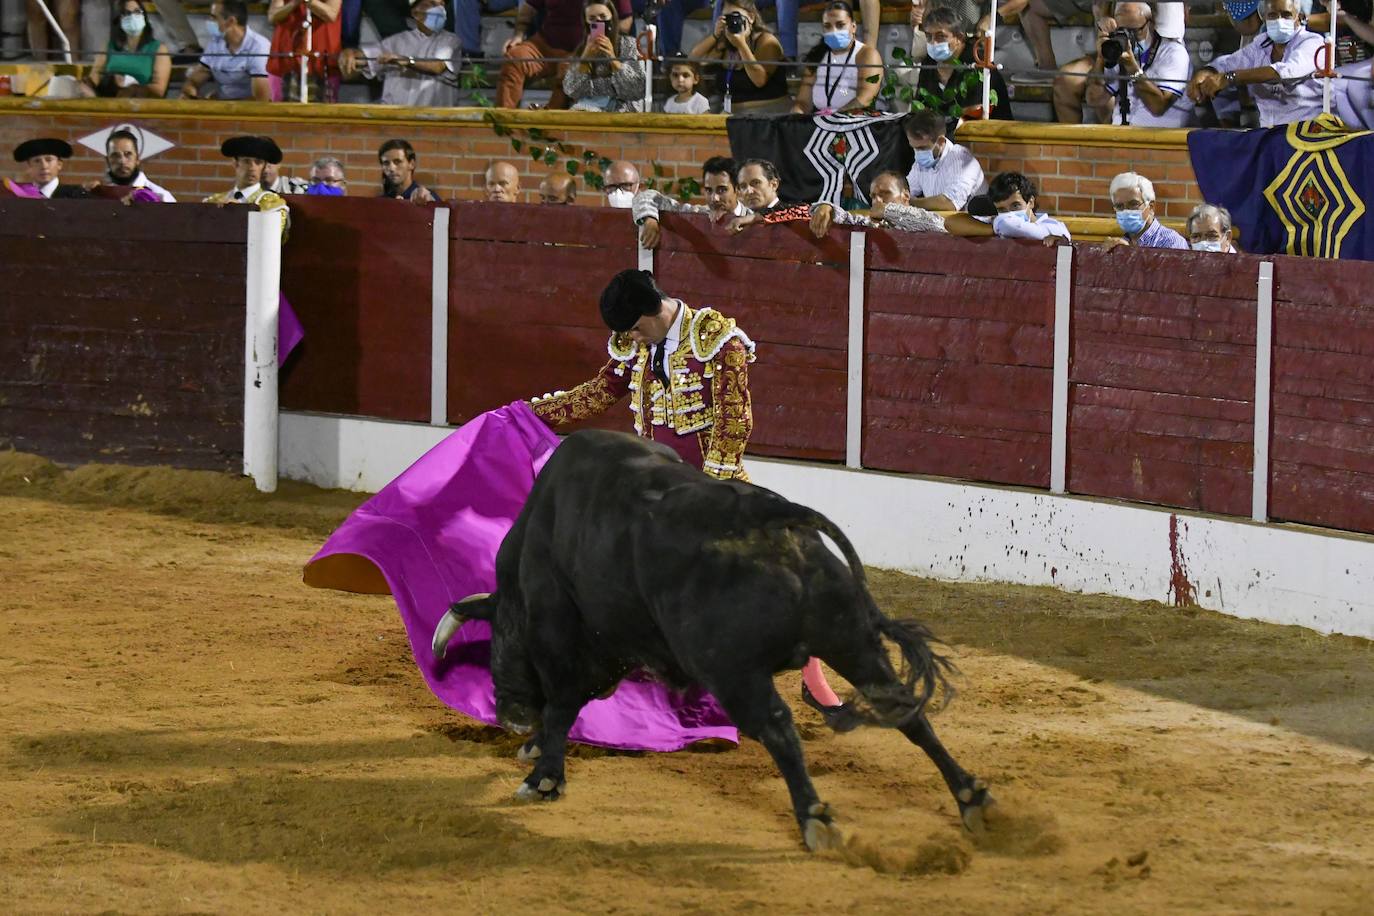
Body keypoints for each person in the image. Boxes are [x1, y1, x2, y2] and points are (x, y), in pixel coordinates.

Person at [528, 269, 858, 730]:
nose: (633, 341)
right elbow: (602, 391)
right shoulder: (635, 342)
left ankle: (813, 682)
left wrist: (711, 495)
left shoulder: (718, 340)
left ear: (652, 311)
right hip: (649, 492)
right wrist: (530, 415)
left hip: (712, 485)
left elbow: (733, 420)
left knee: (783, 578)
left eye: (635, 329)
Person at [1187, 0, 1326, 127]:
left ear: (1299, 17)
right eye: (1272, 15)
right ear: (1264, 18)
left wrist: (1230, 78)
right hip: (1269, 135)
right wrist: (1207, 72)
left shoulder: (1312, 43)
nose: (1279, 21)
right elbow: (1230, 62)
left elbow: (1284, 72)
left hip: (1306, 134)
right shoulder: (1261, 45)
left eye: (1286, 15)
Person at [496, 0, 633, 109]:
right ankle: (504, 123)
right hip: (544, 44)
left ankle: (549, 125)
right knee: (515, 57)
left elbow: (626, 21)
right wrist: (518, 34)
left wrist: (604, 36)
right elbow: (529, 8)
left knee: (569, 69)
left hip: (583, 49)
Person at [1076, 2, 1193, 127]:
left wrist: (1132, 68)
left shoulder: (1173, 53)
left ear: (1150, 24)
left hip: (1158, 138)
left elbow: (1158, 107)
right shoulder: (1119, 49)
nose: (1129, 37)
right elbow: (1094, 99)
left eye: (1134, 31)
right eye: (1122, 31)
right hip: (1120, 134)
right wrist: (1101, 57)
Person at [891, 5, 1012, 123]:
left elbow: (973, 115)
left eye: (941, 36)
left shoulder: (978, 64)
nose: (933, 43)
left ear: (959, 37)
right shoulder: (929, 62)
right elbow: (924, 108)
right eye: (929, 37)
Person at [339, 0, 463, 107]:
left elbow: (438, 66)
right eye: (431, 4)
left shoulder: (451, 41)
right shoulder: (396, 41)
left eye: (441, 4)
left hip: (432, 124)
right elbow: (367, 57)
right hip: (395, 123)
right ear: (415, 13)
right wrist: (351, 54)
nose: (439, 9)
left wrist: (407, 61)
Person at [688, 0, 790, 114]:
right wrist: (715, 35)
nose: (733, 22)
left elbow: (759, 80)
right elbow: (693, 60)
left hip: (767, 113)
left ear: (751, 17)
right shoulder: (725, 43)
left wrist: (741, 45)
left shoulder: (767, 41)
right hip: (731, 114)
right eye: (727, 18)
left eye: (736, 16)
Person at [633, 155, 751, 248]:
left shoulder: (752, 219)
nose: (714, 198)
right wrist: (650, 219)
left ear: (738, 189)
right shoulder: (696, 213)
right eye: (709, 190)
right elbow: (645, 196)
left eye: (722, 190)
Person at [792, 1, 883, 115]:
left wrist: (833, 118)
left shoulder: (867, 55)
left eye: (840, 25)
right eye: (827, 26)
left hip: (853, 123)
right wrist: (797, 114)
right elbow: (803, 101)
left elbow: (865, 99)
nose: (834, 31)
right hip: (820, 123)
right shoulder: (816, 56)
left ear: (853, 27)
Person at [562, 0, 647, 112]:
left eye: (603, 16)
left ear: (612, 19)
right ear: (586, 23)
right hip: (589, 110)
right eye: (592, 19)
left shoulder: (629, 44)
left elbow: (637, 90)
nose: (598, 21)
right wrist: (585, 59)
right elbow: (571, 91)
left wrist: (613, 59)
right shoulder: (582, 49)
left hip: (622, 111)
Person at [182, 1, 273, 101]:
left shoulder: (259, 47)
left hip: (247, 111)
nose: (209, 21)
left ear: (231, 21)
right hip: (221, 106)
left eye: (214, 17)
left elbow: (261, 99)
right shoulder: (215, 43)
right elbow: (194, 80)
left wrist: (219, 105)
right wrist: (191, 94)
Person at [80, 0, 170, 98]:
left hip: (139, 100)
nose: (132, 17)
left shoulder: (158, 49)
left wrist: (131, 86)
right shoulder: (109, 46)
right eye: (127, 13)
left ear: (144, 16)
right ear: (120, 19)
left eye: (137, 12)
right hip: (106, 96)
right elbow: (95, 78)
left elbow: (159, 89)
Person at [204, 136, 291, 236]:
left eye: (258, 162)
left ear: (263, 167)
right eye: (246, 161)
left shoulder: (273, 204)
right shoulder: (213, 201)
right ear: (235, 163)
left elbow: (269, 239)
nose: (252, 168)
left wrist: (238, 214)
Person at [903, 109, 987, 211]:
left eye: (922, 148)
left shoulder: (962, 160)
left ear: (941, 141)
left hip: (973, 224)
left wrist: (910, 201)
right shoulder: (920, 162)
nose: (917, 153)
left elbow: (949, 203)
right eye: (914, 148)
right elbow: (905, 190)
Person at [266, 0, 343, 102]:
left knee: (323, 112)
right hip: (285, 59)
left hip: (321, 60)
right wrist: (294, 3)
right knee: (282, 113)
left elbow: (331, 14)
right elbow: (272, 16)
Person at [1102, 171, 1187, 250]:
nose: (1126, 211)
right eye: (1119, 206)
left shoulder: (1172, 243)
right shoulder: (1118, 245)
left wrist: (1129, 255)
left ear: (1151, 207)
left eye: (1133, 204)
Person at [986, 171, 1071, 244]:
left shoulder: (1054, 226)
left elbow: (1008, 225)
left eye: (1015, 206)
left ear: (1030, 202)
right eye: (1002, 209)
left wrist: (997, 222)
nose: (1009, 214)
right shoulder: (996, 222)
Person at [96, 128, 175, 201]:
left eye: (128, 154)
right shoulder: (101, 197)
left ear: (137, 159)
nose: (122, 161)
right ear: (107, 160)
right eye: (115, 155)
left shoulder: (162, 196)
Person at [11, 138, 89, 199]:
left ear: (59, 164)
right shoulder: (20, 195)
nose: (44, 166)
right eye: (37, 161)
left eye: (49, 160)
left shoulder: (76, 195)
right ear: (29, 167)